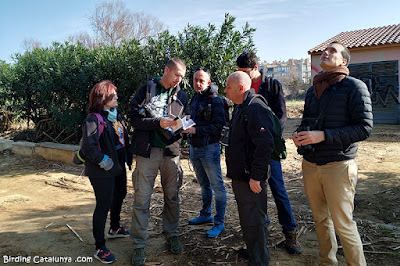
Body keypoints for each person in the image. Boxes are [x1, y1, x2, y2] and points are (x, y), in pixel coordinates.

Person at [292, 42, 372, 265]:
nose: (325, 53)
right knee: (320, 219)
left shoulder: (355, 87)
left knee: (343, 224)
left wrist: (323, 135)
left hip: (339, 165)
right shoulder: (313, 90)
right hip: (311, 164)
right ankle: (328, 261)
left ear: (343, 61)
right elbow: (306, 122)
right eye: (325, 50)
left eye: (333, 51)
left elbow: (364, 128)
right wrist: (300, 135)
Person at [236, 52, 301, 254]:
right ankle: (258, 240)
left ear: (256, 68)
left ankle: (290, 234)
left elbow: (281, 118)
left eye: (246, 72)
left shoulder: (272, 86)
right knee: (254, 195)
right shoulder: (242, 86)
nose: (243, 76)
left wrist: (267, 143)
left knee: (278, 189)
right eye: (239, 73)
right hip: (248, 153)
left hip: (267, 150)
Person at [129, 58, 189, 266]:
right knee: (142, 199)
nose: (179, 79)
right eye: (176, 75)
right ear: (166, 71)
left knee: (172, 196)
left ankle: (171, 234)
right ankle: (138, 245)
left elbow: (185, 120)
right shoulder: (147, 89)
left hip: (171, 152)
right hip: (148, 152)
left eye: (182, 76)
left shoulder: (181, 96)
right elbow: (134, 119)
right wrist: (158, 122)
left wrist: (183, 127)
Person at [224, 71, 274, 265]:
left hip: (250, 178)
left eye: (229, 87)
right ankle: (254, 251)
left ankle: (260, 260)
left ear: (241, 88)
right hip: (242, 176)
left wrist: (256, 176)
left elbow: (264, 145)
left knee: (254, 218)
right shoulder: (241, 107)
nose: (226, 90)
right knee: (248, 217)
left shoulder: (255, 108)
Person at [80, 80, 133, 264]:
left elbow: (121, 139)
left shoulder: (114, 116)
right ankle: (99, 247)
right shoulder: (93, 119)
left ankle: (115, 228)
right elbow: (89, 147)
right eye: (113, 95)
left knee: (120, 194)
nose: (117, 97)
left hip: (117, 165)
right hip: (102, 170)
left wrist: (127, 157)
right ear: (103, 98)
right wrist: (104, 161)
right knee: (103, 205)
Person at [183, 67, 227, 238]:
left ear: (209, 82)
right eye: (195, 80)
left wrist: (195, 131)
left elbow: (218, 127)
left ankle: (219, 222)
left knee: (217, 186)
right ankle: (205, 214)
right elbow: (195, 119)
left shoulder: (215, 100)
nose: (198, 83)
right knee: (203, 185)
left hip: (210, 149)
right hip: (195, 148)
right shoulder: (195, 97)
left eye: (201, 80)